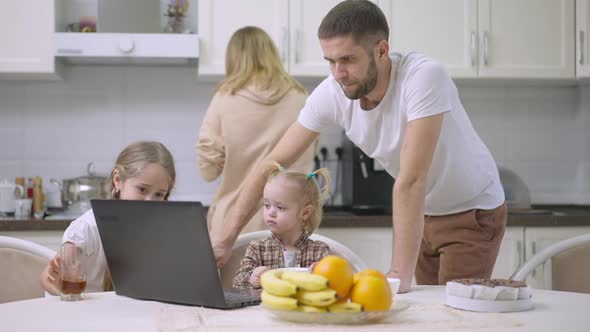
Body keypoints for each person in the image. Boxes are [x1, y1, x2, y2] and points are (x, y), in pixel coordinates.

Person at [213, 0, 506, 294]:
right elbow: (272, 164)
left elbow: (412, 179)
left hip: (472, 210)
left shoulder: (423, 78)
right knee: (429, 311)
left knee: (454, 313)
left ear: (381, 50)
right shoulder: (333, 92)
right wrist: (226, 239)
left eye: (348, 60)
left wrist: (397, 274)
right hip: (423, 213)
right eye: (330, 60)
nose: (338, 73)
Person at [196, 26, 318, 243]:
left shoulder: (225, 98)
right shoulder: (301, 97)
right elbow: (309, 154)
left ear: (232, 59)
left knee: (237, 278)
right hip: (293, 226)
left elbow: (207, 170)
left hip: (235, 227)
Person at [40, 141, 176, 295]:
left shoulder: (155, 231)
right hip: (80, 312)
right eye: (142, 189)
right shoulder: (89, 227)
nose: (150, 202)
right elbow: (46, 277)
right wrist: (65, 292)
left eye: (159, 194)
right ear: (117, 180)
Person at [232, 162, 332, 289]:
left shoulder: (320, 251)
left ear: (305, 212)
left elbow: (335, 285)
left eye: (280, 207)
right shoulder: (257, 249)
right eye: (267, 205)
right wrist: (252, 278)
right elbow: (237, 281)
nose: (271, 213)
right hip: (264, 308)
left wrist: (322, 274)